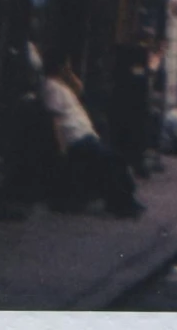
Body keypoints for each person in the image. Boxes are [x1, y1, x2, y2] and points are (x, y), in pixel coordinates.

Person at [40, 52, 142, 216]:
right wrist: (61, 147)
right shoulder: (51, 87)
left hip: (86, 134)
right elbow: (55, 119)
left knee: (115, 159)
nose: (69, 68)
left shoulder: (61, 85)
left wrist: (70, 75)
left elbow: (79, 89)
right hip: (76, 137)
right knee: (114, 160)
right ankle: (121, 204)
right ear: (60, 67)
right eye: (67, 65)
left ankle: (126, 200)